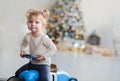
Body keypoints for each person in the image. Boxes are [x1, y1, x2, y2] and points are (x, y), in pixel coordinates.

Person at [15, 9, 57, 81]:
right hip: (32, 63)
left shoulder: (44, 38)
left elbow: (54, 49)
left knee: (44, 79)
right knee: (17, 73)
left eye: (37, 22)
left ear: (42, 25)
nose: (33, 24)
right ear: (27, 23)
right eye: (30, 22)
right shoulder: (27, 36)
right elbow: (23, 45)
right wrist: (23, 51)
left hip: (43, 64)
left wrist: (44, 56)